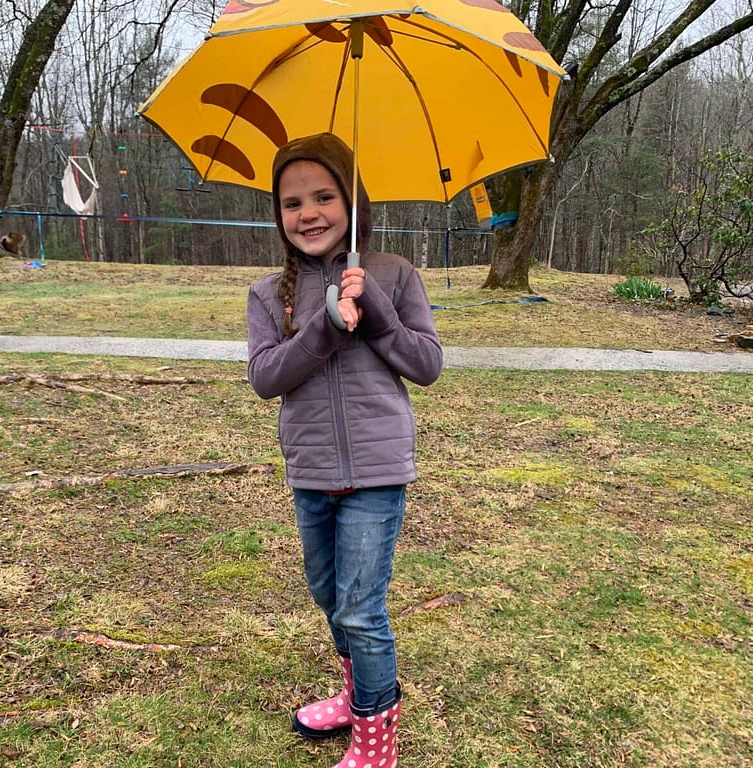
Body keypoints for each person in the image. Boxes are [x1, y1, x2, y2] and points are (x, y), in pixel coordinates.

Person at [246, 132, 443, 768]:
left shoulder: (392, 274)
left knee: (362, 607)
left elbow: (428, 364)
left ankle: (375, 740)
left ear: (353, 201)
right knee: (329, 595)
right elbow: (265, 378)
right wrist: (324, 329)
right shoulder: (268, 292)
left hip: (377, 470)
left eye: (325, 196)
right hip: (310, 468)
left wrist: (378, 312)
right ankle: (356, 689)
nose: (309, 213)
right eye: (292, 201)